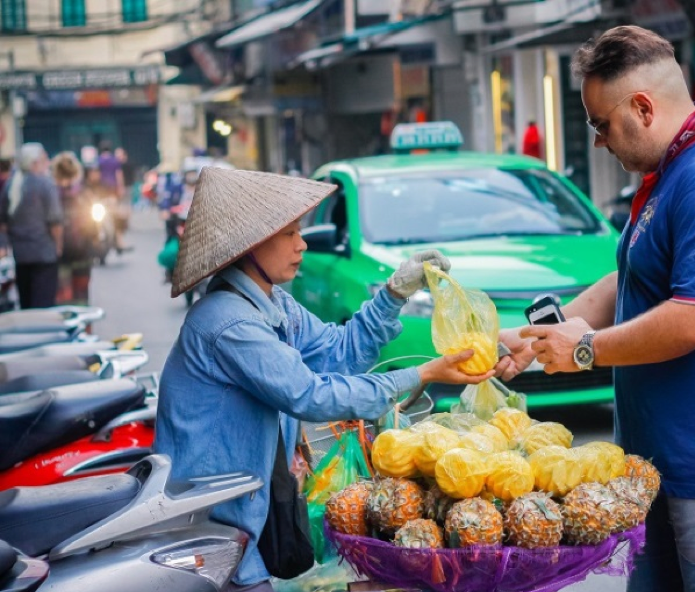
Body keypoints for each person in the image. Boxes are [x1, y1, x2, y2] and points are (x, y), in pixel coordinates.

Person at [495, 26, 695, 592]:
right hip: (661, 461)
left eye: (601, 124)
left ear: (642, 107)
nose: (597, 141)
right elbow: (630, 274)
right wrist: (534, 336)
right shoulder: (672, 172)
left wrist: (587, 348)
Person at [153, 167, 492, 592]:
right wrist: (420, 375)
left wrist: (393, 295)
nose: (302, 244)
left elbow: (340, 351)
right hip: (215, 527)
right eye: (289, 234)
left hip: (249, 521)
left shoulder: (275, 305)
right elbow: (309, 394)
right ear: (252, 245)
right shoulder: (228, 322)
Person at [0, 143, 63, 309]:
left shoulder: (11, 185)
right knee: (43, 307)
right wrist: (58, 246)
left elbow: (3, 223)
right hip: (44, 255)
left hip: (21, 256)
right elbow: (55, 221)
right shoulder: (45, 184)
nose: (47, 163)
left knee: (27, 306)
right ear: (34, 162)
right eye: (44, 159)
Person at [50, 152, 96, 305]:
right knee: (82, 296)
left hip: (59, 253)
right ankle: (83, 328)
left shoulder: (52, 194)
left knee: (64, 297)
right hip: (82, 252)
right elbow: (94, 224)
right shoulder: (83, 193)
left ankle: (66, 327)